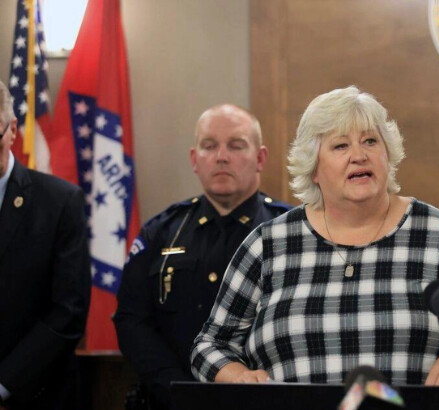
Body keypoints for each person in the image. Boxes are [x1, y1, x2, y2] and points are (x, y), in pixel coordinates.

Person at [190, 86, 439, 409]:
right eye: (340, 146)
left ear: (388, 155)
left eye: (370, 141)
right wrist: (238, 376)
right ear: (314, 169)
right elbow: (209, 346)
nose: (359, 155)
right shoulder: (269, 244)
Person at [113, 104, 291, 410]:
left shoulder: (288, 231)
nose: (222, 156)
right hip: (171, 400)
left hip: (263, 401)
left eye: (236, 146)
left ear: (260, 158)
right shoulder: (162, 232)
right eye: (209, 146)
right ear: (195, 159)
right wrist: (179, 391)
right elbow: (132, 321)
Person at [0, 81, 91, 410]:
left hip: (33, 395)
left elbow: (68, 311)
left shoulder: (59, 202)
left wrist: (3, 384)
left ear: (12, 130)